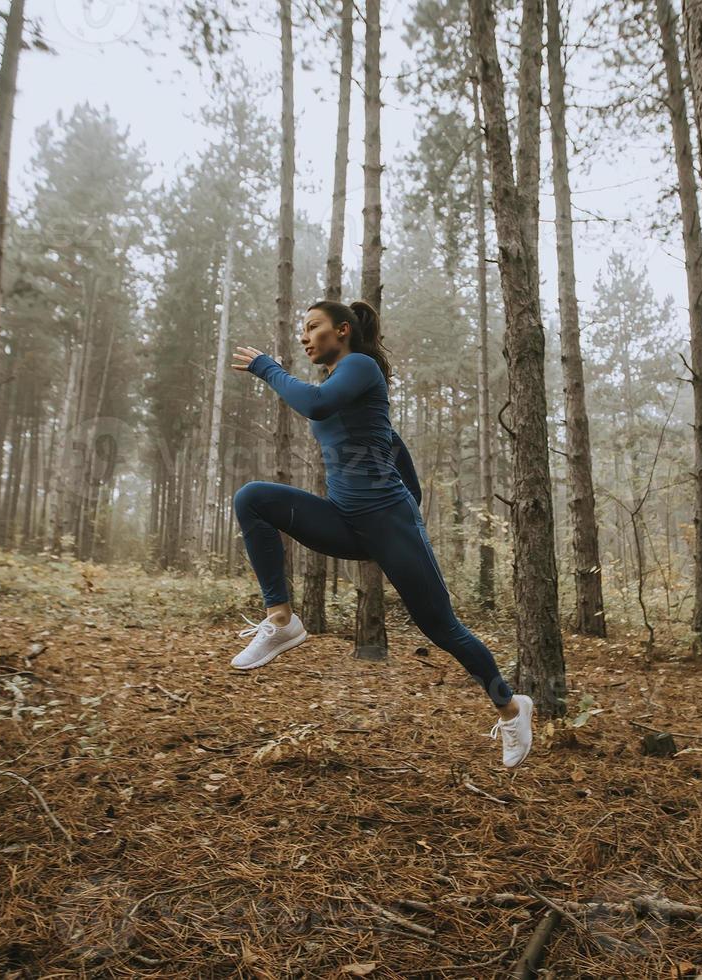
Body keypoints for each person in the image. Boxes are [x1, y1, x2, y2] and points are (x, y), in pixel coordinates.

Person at [229, 299, 534, 767]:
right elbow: (394, 444)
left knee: (443, 630)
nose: (304, 337)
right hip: (345, 520)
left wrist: (266, 367)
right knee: (252, 498)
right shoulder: (343, 383)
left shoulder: (361, 366)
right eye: (302, 330)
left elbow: (315, 405)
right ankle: (281, 621)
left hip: (388, 523)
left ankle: (512, 709)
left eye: (313, 327)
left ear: (343, 330)